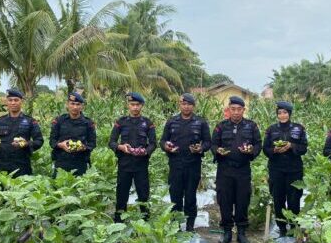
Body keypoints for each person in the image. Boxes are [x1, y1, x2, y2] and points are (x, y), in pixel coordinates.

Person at [211, 96, 262, 243]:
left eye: (239, 109)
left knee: (242, 200)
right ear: (229, 110)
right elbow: (213, 144)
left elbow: (258, 144)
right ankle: (227, 231)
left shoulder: (251, 126)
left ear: (243, 110)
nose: (236, 112)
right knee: (224, 200)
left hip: (243, 169)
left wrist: (252, 150)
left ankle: (241, 232)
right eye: (233, 109)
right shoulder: (220, 126)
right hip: (225, 169)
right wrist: (218, 151)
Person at [160, 93, 212, 232]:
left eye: (189, 104)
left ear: (193, 106)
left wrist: (200, 148)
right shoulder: (172, 121)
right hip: (175, 164)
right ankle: (175, 225)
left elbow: (208, 142)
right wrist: (167, 147)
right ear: (179, 105)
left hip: (193, 164)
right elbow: (163, 140)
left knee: (190, 196)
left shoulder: (200, 122)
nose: (186, 106)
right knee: (175, 195)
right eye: (183, 104)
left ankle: (190, 226)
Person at [108, 92, 157, 222]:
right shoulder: (121, 122)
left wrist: (145, 151)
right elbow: (111, 142)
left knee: (143, 194)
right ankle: (118, 221)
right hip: (124, 163)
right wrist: (121, 147)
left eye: (137, 105)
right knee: (121, 193)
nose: (135, 107)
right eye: (132, 104)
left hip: (141, 164)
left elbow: (153, 143)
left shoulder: (148, 123)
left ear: (142, 106)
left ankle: (145, 221)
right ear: (128, 105)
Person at [262, 101, 308, 237]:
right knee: (278, 198)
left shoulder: (299, 128)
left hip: (294, 169)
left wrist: (291, 146)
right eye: (279, 113)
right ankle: (281, 227)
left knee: (294, 198)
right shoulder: (271, 129)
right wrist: (274, 150)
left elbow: (304, 148)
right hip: (276, 169)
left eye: (285, 113)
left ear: (289, 114)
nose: (282, 115)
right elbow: (266, 149)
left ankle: (294, 226)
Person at [0, 89, 43, 177]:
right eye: (10, 100)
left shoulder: (30, 121)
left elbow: (39, 141)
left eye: (16, 100)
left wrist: (26, 144)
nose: (13, 103)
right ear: (7, 102)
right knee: (1, 189)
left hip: (22, 165)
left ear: (22, 102)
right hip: (3, 165)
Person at [49, 92, 96, 176]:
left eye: (78, 104)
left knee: (80, 188)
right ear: (67, 104)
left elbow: (92, 144)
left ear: (82, 106)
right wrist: (61, 145)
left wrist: (83, 147)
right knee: (59, 188)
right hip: (61, 163)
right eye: (72, 104)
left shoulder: (88, 123)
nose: (75, 107)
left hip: (80, 163)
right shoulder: (59, 121)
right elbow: (52, 141)